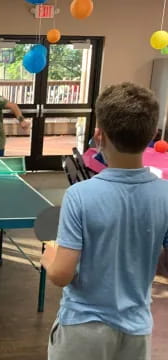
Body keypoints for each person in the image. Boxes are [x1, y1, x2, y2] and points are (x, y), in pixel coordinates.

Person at [40, 82, 168, 360]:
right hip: (136, 332)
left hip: (82, 332)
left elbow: (62, 275)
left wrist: (49, 257)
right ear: (152, 135)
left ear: (99, 136)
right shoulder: (166, 194)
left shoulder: (79, 195)